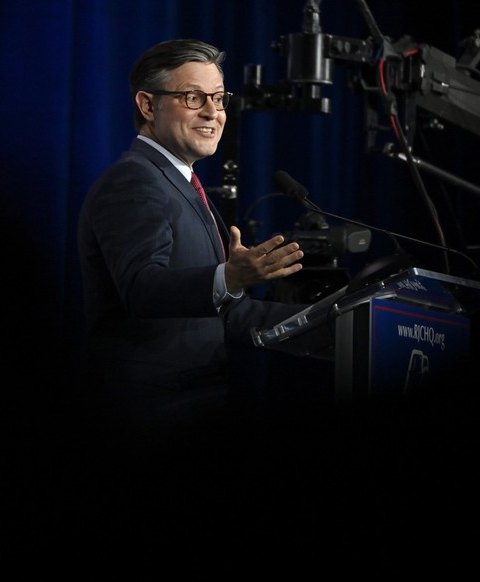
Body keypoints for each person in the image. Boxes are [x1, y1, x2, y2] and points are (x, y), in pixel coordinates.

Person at [77, 38, 310, 444]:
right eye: (193, 97)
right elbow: (141, 288)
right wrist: (228, 277)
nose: (213, 113)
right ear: (148, 106)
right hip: (149, 413)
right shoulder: (135, 180)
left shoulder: (182, 184)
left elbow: (221, 315)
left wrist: (335, 322)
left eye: (219, 99)